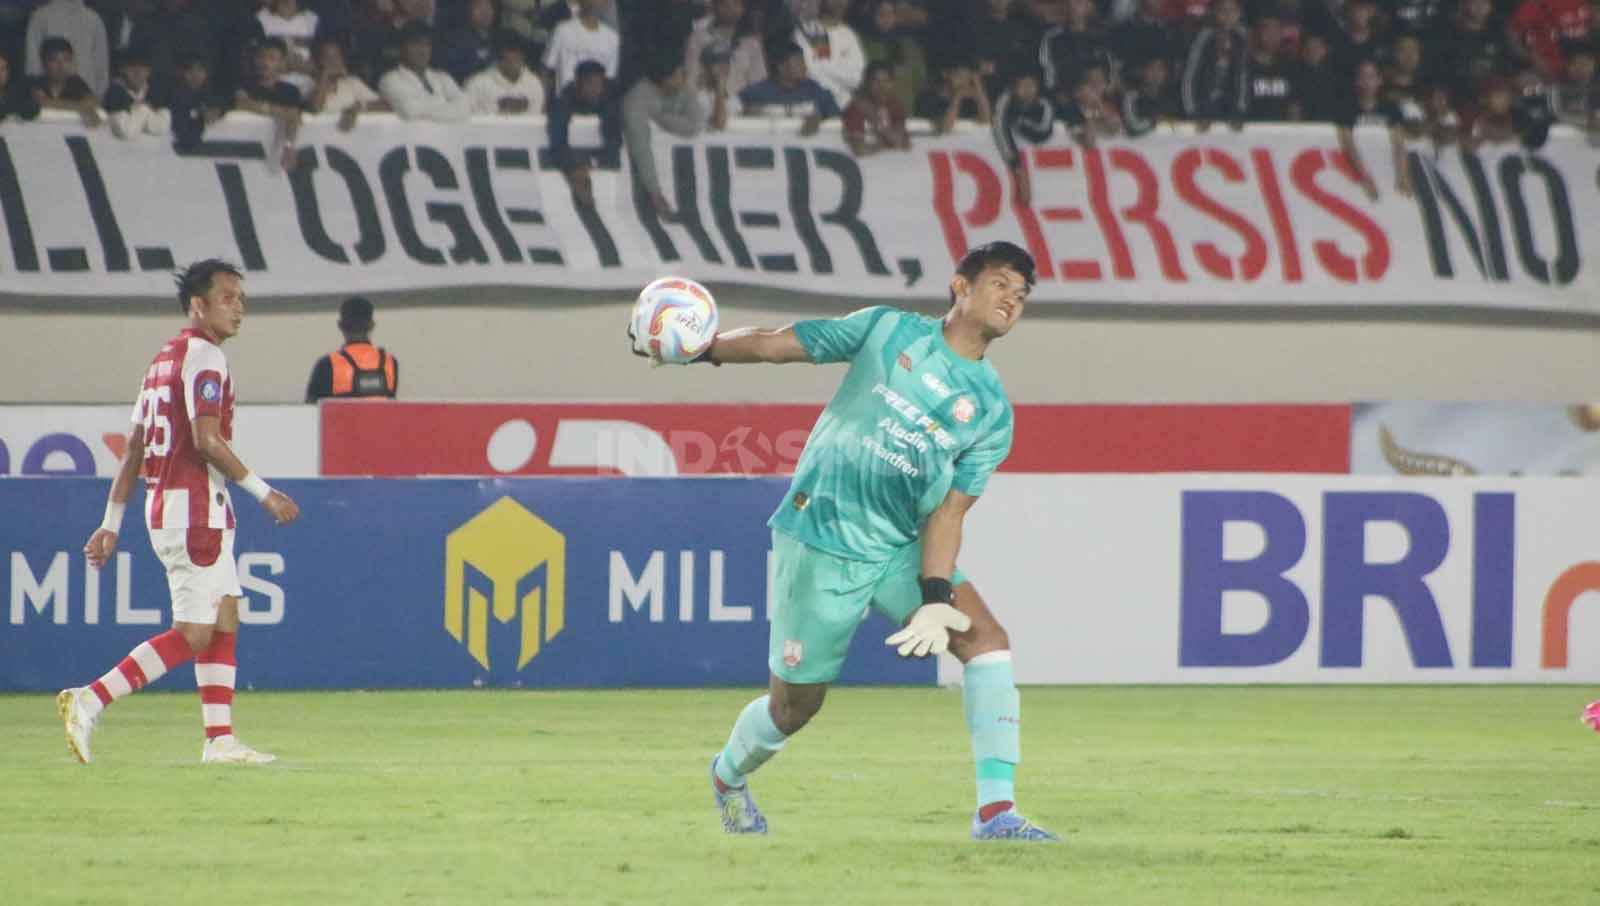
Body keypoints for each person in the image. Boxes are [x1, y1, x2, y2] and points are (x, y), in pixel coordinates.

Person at [631, 241, 1058, 842]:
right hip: (820, 537)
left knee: (985, 639)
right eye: (1001, 283)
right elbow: (781, 343)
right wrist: (702, 351)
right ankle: (728, 776)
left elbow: (949, 511)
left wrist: (936, 594)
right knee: (793, 709)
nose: (1012, 298)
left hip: (893, 550)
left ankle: (995, 815)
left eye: (1022, 293)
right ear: (960, 286)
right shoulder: (886, 331)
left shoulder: (990, 411)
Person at [58, 259, 300, 766]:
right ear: (198, 304)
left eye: (242, 299)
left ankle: (220, 739)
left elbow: (134, 451)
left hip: (173, 508)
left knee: (226, 613)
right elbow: (207, 442)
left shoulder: (162, 362)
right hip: (193, 514)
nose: (240, 308)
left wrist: (110, 522)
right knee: (194, 633)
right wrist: (264, 492)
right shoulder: (205, 357)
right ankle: (91, 698)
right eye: (228, 298)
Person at [622, 55, 702, 217]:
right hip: (637, 174)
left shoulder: (684, 90)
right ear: (667, 78)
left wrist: (659, 117)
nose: (684, 78)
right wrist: (655, 191)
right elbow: (641, 145)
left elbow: (694, 126)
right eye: (680, 74)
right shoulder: (637, 98)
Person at [547, 58, 621, 208]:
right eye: (590, 84)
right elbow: (557, 139)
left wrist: (591, 163)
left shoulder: (607, 99)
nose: (596, 90)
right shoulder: (564, 100)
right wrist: (575, 166)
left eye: (599, 85)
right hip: (571, 159)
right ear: (578, 83)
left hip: (595, 159)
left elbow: (614, 139)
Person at [305, 296, 399, 402]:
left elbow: (310, 412)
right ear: (372, 325)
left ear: (340, 325)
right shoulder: (390, 362)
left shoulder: (326, 364)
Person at [378, 21, 472, 122]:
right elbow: (413, 112)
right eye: (416, 44)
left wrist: (430, 110)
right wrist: (449, 108)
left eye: (427, 44)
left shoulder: (442, 77)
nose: (422, 50)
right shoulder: (390, 80)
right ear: (402, 48)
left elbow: (465, 108)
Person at [305, 38, 388, 131]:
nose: (333, 62)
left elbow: (385, 105)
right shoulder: (307, 83)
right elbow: (314, 109)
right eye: (327, 57)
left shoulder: (352, 82)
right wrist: (325, 78)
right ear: (318, 61)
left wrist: (358, 107)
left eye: (337, 57)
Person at [542, 0, 618, 92]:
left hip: (595, 103)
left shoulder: (612, 38)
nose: (596, 3)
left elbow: (609, 78)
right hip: (564, 101)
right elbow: (546, 69)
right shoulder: (562, 30)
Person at [464, 29, 544, 115]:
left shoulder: (534, 83)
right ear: (498, 59)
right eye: (509, 59)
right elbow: (469, 118)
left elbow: (536, 119)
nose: (514, 64)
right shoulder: (476, 84)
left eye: (518, 58)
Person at [843, 60, 910, 155]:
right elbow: (860, 150)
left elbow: (901, 142)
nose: (881, 86)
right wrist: (887, 143)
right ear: (867, 83)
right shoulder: (856, 109)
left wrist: (875, 120)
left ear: (893, 83)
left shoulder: (894, 106)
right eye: (876, 81)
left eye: (886, 81)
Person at [104, 45, 171, 139]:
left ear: (149, 71)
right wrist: (145, 109)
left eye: (143, 67)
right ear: (122, 69)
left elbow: (162, 128)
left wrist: (138, 114)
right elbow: (126, 131)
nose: (138, 72)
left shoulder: (154, 91)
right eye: (132, 67)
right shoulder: (115, 92)